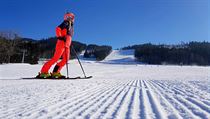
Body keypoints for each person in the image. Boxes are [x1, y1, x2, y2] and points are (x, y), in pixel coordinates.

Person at [36, 12, 75, 78]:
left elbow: (68, 36)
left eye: (71, 17)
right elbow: (58, 28)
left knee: (65, 60)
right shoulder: (66, 23)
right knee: (55, 58)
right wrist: (60, 37)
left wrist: (69, 42)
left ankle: (55, 72)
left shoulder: (71, 26)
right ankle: (43, 72)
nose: (70, 18)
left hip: (67, 45)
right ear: (66, 17)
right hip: (61, 43)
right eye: (69, 17)